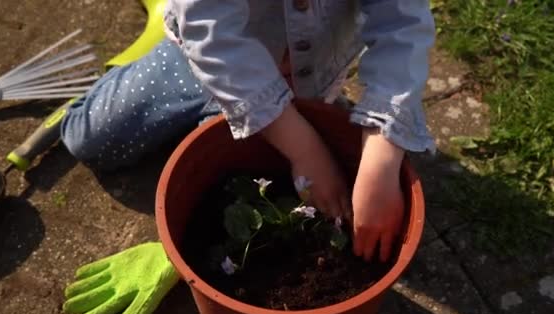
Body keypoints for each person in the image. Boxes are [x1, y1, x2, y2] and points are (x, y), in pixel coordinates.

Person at [61, 0, 435, 263]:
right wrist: (307, 150)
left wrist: (381, 159)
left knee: (229, 186)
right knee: (86, 138)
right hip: (199, 57)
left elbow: (403, 25)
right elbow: (214, 37)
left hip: (306, 73)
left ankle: (272, 118)